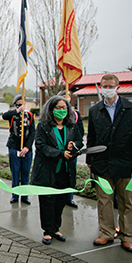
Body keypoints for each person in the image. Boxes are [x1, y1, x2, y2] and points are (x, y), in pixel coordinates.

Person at [87, 74, 132, 253]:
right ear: (100, 87)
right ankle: (106, 233)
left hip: (126, 164)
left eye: (110, 86)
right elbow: (91, 137)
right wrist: (90, 160)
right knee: (104, 201)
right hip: (102, 163)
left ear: (118, 87)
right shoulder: (95, 110)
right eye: (104, 86)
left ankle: (127, 236)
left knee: (127, 202)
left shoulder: (130, 108)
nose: (107, 89)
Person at [30, 96, 83, 245]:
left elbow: (80, 141)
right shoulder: (44, 126)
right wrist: (60, 153)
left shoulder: (72, 126)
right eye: (58, 108)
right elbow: (41, 146)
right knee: (47, 201)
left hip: (65, 171)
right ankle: (47, 231)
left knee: (61, 201)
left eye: (64, 108)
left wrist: (73, 146)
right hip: (47, 170)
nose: (62, 111)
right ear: (52, 109)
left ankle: (56, 228)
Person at [2, 95, 35, 205]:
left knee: (25, 173)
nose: (20, 105)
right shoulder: (12, 114)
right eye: (18, 103)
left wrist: (27, 147)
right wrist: (17, 110)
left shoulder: (29, 115)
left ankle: (25, 197)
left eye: (22, 103)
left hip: (26, 148)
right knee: (15, 173)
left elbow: (32, 132)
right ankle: (15, 195)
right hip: (14, 146)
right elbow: (4, 116)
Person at [57, 90, 84, 208]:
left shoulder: (75, 114)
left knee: (71, 174)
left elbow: (80, 132)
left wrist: (74, 144)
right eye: (63, 97)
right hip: (60, 152)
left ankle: (70, 197)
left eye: (67, 97)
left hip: (71, 152)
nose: (66, 99)